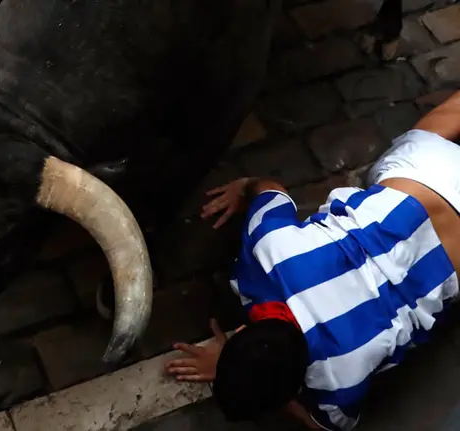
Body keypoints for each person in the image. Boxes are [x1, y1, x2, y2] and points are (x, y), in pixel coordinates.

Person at [162, 89, 460, 431]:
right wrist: (245, 186)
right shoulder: (267, 255)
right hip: (423, 175)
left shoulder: (340, 378)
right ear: (244, 328)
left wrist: (256, 380)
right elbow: (269, 187)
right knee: (442, 122)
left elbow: (324, 427)